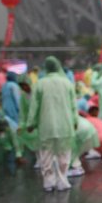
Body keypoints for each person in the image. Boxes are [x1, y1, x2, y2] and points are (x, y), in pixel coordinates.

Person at [25, 56, 77, 192]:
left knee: (46, 155)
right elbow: (73, 106)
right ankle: (62, 181)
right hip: (65, 124)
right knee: (64, 154)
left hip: (46, 125)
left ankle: (49, 182)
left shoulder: (40, 84)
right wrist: (75, 121)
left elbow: (34, 106)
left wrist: (30, 123)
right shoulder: (67, 83)